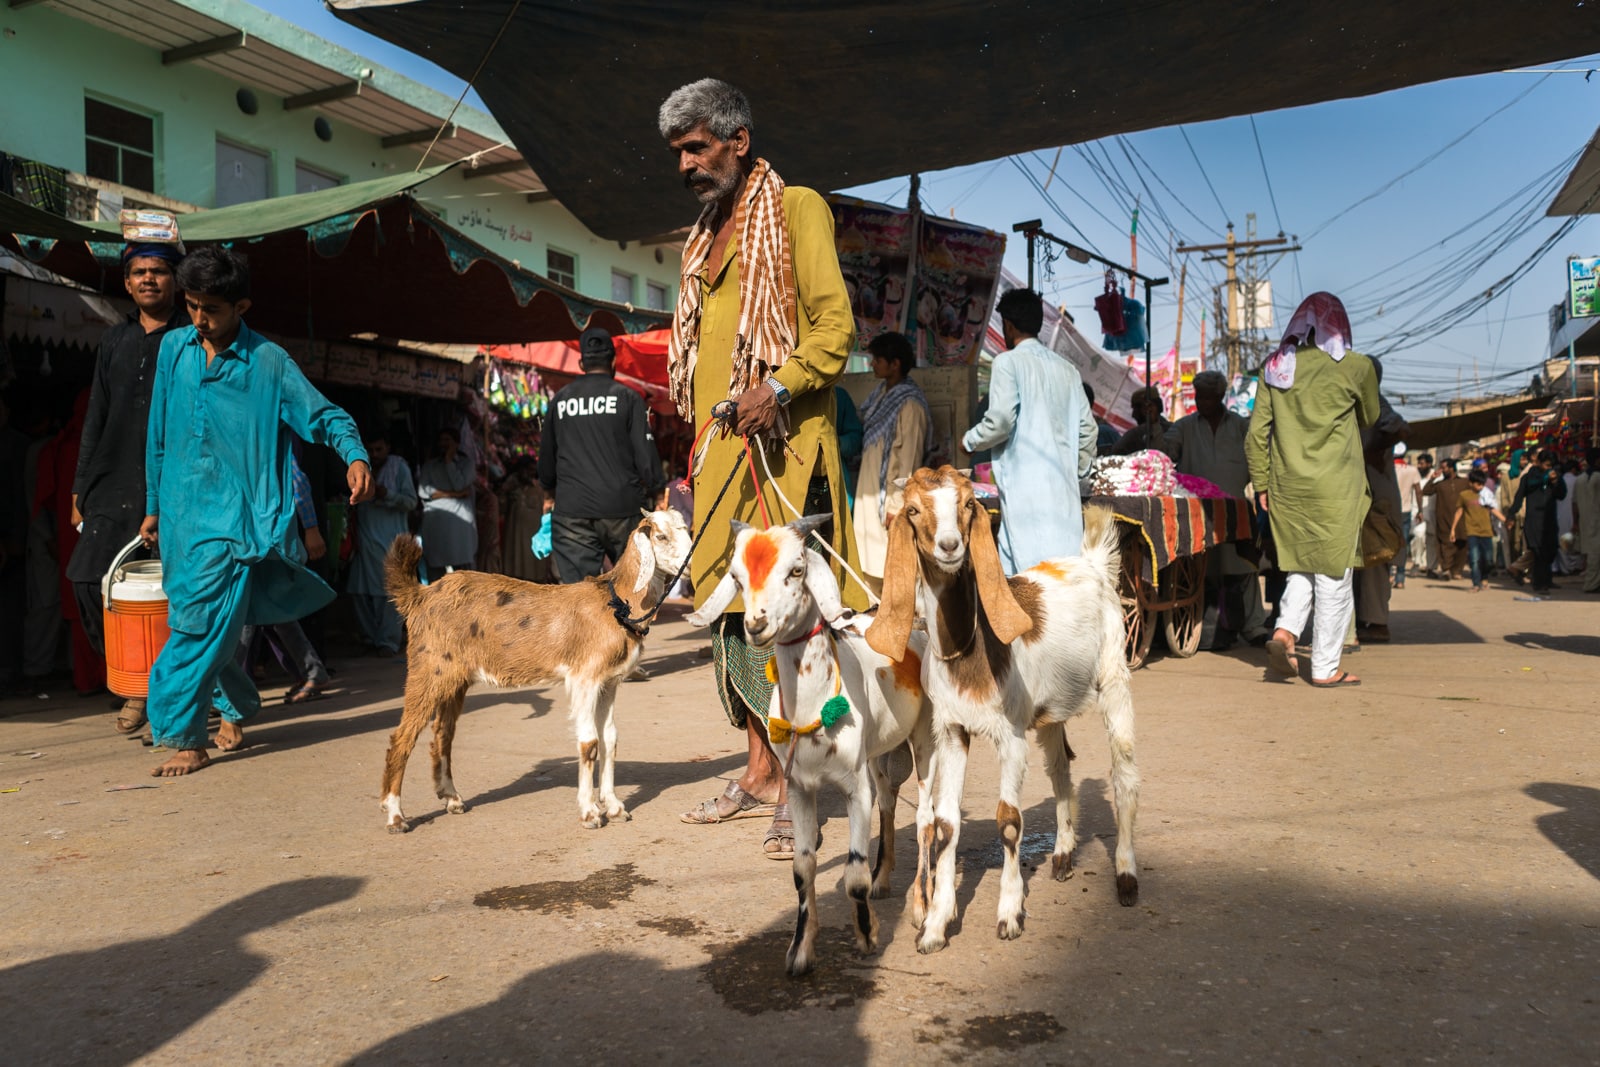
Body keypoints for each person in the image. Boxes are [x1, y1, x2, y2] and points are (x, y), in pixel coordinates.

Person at [659, 78, 863, 858]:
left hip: (783, 452)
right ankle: (760, 772)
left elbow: (833, 327)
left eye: (697, 147)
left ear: (738, 140)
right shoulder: (704, 233)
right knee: (733, 622)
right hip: (719, 458)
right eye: (678, 153)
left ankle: (799, 774)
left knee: (787, 626)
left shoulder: (798, 207)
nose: (685, 164)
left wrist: (775, 386)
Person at [139, 246, 371, 776]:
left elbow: (324, 414)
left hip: (235, 524)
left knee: (196, 629)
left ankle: (183, 734)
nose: (199, 317)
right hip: (180, 518)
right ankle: (237, 706)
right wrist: (153, 507)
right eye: (192, 304)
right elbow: (156, 436)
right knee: (201, 623)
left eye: (211, 308)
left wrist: (354, 454)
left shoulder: (269, 362)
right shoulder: (175, 349)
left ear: (241, 306)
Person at [67, 243, 190, 732]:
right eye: (139, 272)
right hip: (111, 481)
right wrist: (80, 487)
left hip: (172, 481)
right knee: (86, 581)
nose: (148, 279)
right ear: (126, 282)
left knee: (168, 596)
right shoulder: (113, 340)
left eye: (158, 271)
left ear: (174, 280)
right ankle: (137, 682)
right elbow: (96, 415)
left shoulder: (189, 336)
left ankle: (161, 694)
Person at [1244, 292, 1378, 688]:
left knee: (1303, 564)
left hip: (1287, 488)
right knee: (1334, 576)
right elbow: (1370, 416)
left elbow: (1256, 436)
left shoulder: (1276, 367)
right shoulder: (1357, 367)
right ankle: (1324, 667)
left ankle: (1284, 631)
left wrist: (1262, 485)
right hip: (1337, 488)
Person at [962, 287, 1098, 571]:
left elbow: (999, 423)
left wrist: (970, 440)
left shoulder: (1007, 362)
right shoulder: (1068, 370)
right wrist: (1078, 475)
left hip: (1026, 499)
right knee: (1066, 582)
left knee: (1029, 585)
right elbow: (1088, 431)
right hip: (1065, 499)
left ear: (1008, 326)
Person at [538, 327, 666, 583]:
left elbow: (547, 457)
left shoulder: (559, 400)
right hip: (622, 507)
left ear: (582, 362)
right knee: (631, 587)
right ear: (614, 362)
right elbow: (646, 453)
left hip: (572, 511)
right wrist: (658, 491)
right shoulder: (628, 398)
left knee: (578, 595)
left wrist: (548, 494)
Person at [1161, 369, 1268, 649]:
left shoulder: (1240, 426)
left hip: (1234, 508)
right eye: (1199, 396)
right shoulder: (1184, 426)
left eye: (1209, 397)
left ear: (1220, 396)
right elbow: (1168, 449)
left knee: (1244, 567)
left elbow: (1258, 453)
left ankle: (1254, 625)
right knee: (1202, 569)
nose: (1203, 401)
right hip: (1196, 511)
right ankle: (1205, 627)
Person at [853, 331, 932, 595]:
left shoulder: (910, 404)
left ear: (895, 363)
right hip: (869, 488)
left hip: (888, 500)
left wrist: (897, 505)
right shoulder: (878, 396)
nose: (872, 364)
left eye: (877, 359)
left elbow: (908, 458)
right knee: (867, 561)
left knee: (890, 565)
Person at [347, 432, 418, 654]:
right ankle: (371, 637)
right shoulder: (360, 467)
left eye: (379, 449)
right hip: (365, 542)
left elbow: (411, 502)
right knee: (357, 591)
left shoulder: (399, 468)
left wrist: (387, 495)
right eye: (371, 450)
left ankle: (388, 641)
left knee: (387, 592)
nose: (375, 455)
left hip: (389, 542)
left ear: (388, 447)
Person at [1354, 366, 1408, 643]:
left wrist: (1371, 450)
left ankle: (1376, 622)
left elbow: (1399, 428)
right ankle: (1362, 620)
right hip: (1358, 488)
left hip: (1374, 490)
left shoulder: (1374, 400)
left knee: (1375, 557)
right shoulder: (1354, 397)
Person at [416, 427, 476, 575]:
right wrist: (457, 494)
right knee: (436, 570)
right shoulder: (430, 466)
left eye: (447, 440)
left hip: (460, 523)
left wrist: (449, 462)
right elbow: (424, 492)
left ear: (457, 443)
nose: (443, 444)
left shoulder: (466, 464)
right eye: (441, 440)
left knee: (463, 571)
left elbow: (460, 484)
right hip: (436, 522)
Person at [1507, 448, 1566, 595]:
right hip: (1534, 520)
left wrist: (1555, 481)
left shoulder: (1555, 476)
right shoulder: (1530, 477)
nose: (1548, 468)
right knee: (1539, 552)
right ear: (1539, 462)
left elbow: (1561, 495)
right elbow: (1519, 497)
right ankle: (1539, 584)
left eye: (1550, 466)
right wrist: (1511, 515)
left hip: (1549, 519)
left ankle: (1547, 580)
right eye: (1546, 465)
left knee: (1551, 550)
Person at [1452, 468, 1502, 593]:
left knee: (1489, 559)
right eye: (1478, 484)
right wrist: (1453, 529)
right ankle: (1476, 583)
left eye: (1482, 484)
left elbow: (1493, 509)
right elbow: (1459, 512)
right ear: (1471, 483)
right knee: (1474, 559)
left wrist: (1505, 520)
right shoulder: (1464, 495)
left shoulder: (1486, 494)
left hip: (1486, 531)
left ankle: (1484, 578)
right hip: (1472, 531)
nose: (1480, 487)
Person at [1421, 457, 1471, 580]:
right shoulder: (1440, 484)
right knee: (1445, 544)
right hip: (1443, 519)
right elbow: (1426, 491)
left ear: (1452, 468)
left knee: (1461, 544)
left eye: (1444, 468)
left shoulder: (1464, 482)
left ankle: (1457, 571)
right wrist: (1432, 478)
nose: (1442, 470)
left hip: (1461, 519)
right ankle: (1446, 569)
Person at [1110, 386, 1171, 455]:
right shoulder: (1174, 429)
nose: (1133, 415)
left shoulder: (1135, 435)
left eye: (1136, 410)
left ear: (1148, 408)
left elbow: (1116, 452)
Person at [1572, 446, 1600, 594]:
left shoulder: (1580, 478)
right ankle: (1591, 584)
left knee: (1591, 553)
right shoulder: (1597, 477)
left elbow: (1574, 503)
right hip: (1596, 520)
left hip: (1585, 521)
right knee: (1595, 554)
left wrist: (1575, 522)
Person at [1393, 451, 1422, 589]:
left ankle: (1388, 575)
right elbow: (1418, 490)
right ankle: (1400, 578)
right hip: (1405, 511)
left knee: (1388, 543)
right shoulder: (1412, 470)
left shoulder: (1387, 469)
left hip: (1389, 511)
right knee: (1402, 545)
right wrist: (1420, 510)